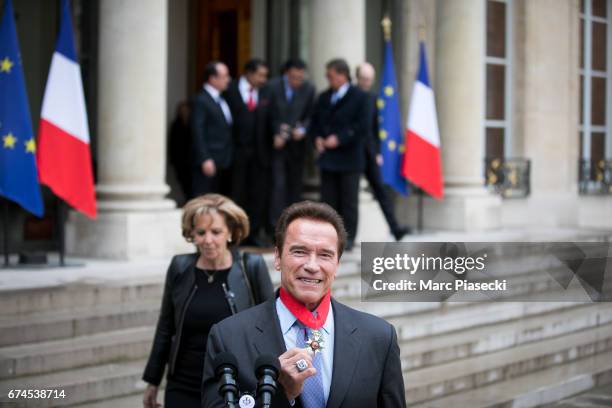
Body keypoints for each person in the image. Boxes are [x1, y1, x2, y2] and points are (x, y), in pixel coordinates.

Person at [201, 201, 406, 408]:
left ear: (337, 265)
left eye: (325, 255)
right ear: (278, 257)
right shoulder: (228, 336)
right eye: (299, 252)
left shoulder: (379, 337)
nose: (311, 266)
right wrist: (282, 394)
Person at [142, 194, 274, 408]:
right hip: (183, 383)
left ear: (230, 232)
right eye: (201, 232)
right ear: (192, 234)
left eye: (216, 232)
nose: (208, 240)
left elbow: (269, 327)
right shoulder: (180, 267)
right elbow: (166, 328)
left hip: (233, 383)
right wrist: (153, 381)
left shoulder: (251, 267)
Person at [309, 59, 368, 250]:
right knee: (328, 200)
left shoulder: (360, 96)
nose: (328, 80)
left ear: (343, 75)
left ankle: (348, 238)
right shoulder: (324, 97)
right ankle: (328, 235)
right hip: (328, 158)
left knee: (349, 201)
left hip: (349, 158)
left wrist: (340, 139)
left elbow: (362, 126)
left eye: (331, 76)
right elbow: (315, 122)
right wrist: (317, 138)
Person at [355, 63, 411, 241]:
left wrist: (378, 152)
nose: (366, 83)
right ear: (357, 78)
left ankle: (395, 228)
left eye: (369, 80)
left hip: (370, 153)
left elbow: (374, 127)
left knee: (380, 190)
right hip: (352, 153)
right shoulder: (351, 96)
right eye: (363, 79)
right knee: (348, 196)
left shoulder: (372, 98)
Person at [224, 58, 271, 247]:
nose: (263, 79)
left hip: (259, 154)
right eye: (260, 75)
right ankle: (234, 233)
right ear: (249, 73)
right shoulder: (230, 90)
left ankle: (252, 233)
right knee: (236, 194)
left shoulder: (266, 93)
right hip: (236, 154)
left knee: (257, 195)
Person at [267, 58, 316, 229]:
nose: (297, 82)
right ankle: (275, 228)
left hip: (297, 147)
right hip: (277, 147)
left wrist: (302, 130)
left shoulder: (309, 89)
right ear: (286, 74)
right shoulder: (272, 87)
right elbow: (266, 115)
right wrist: (276, 132)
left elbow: (311, 116)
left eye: (300, 78)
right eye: (294, 77)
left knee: (295, 188)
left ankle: (293, 227)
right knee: (277, 187)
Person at [191, 61, 233, 197]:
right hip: (209, 160)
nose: (228, 80)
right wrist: (205, 158)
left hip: (222, 160)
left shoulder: (221, 98)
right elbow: (197, 131)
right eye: (224, 76)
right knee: (203, 199)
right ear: (212, 78)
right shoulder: (201, 100)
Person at [168, 101, 193, 202]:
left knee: (191, 182)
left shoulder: (192, 124)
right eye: (182, 110)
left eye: (186, 110)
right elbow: (172, 143)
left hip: (191, 159)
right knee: (183, 181)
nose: (184, 112)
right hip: (180, 160)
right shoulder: (176, 124)